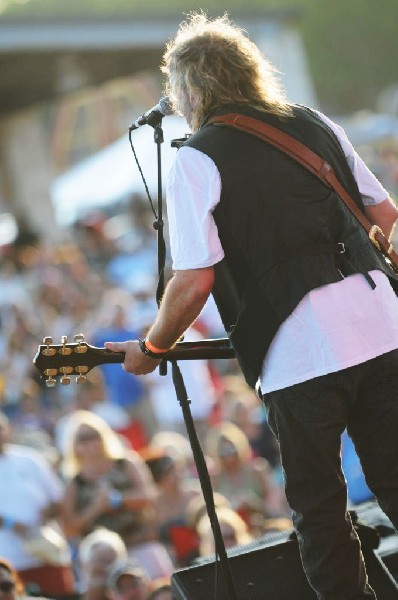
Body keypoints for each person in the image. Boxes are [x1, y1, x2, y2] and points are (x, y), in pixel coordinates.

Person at [104, 12, 398, 600]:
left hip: (301, 355)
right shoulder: (312, 123)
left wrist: (154, 346)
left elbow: (192, 281)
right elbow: (384, 216)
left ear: (189, 89)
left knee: (321, 515)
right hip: (384, 328)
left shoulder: (196, 158)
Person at [60, 410, 174, 581]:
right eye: (82, 438)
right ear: (74, 445)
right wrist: (96, 508)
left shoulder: (125, 463)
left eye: (94, 435)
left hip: (141, 544)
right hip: (104, 561)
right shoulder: (74, 483)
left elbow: (150, 496)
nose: (90, 442)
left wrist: (118, 499)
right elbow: (69, 527)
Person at [0, 412, 75, 599]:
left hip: (49, 554)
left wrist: (47, 513)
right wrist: (10, 523)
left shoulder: (30, 459)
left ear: (8, 430)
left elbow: (59, 499)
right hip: (10, 563)